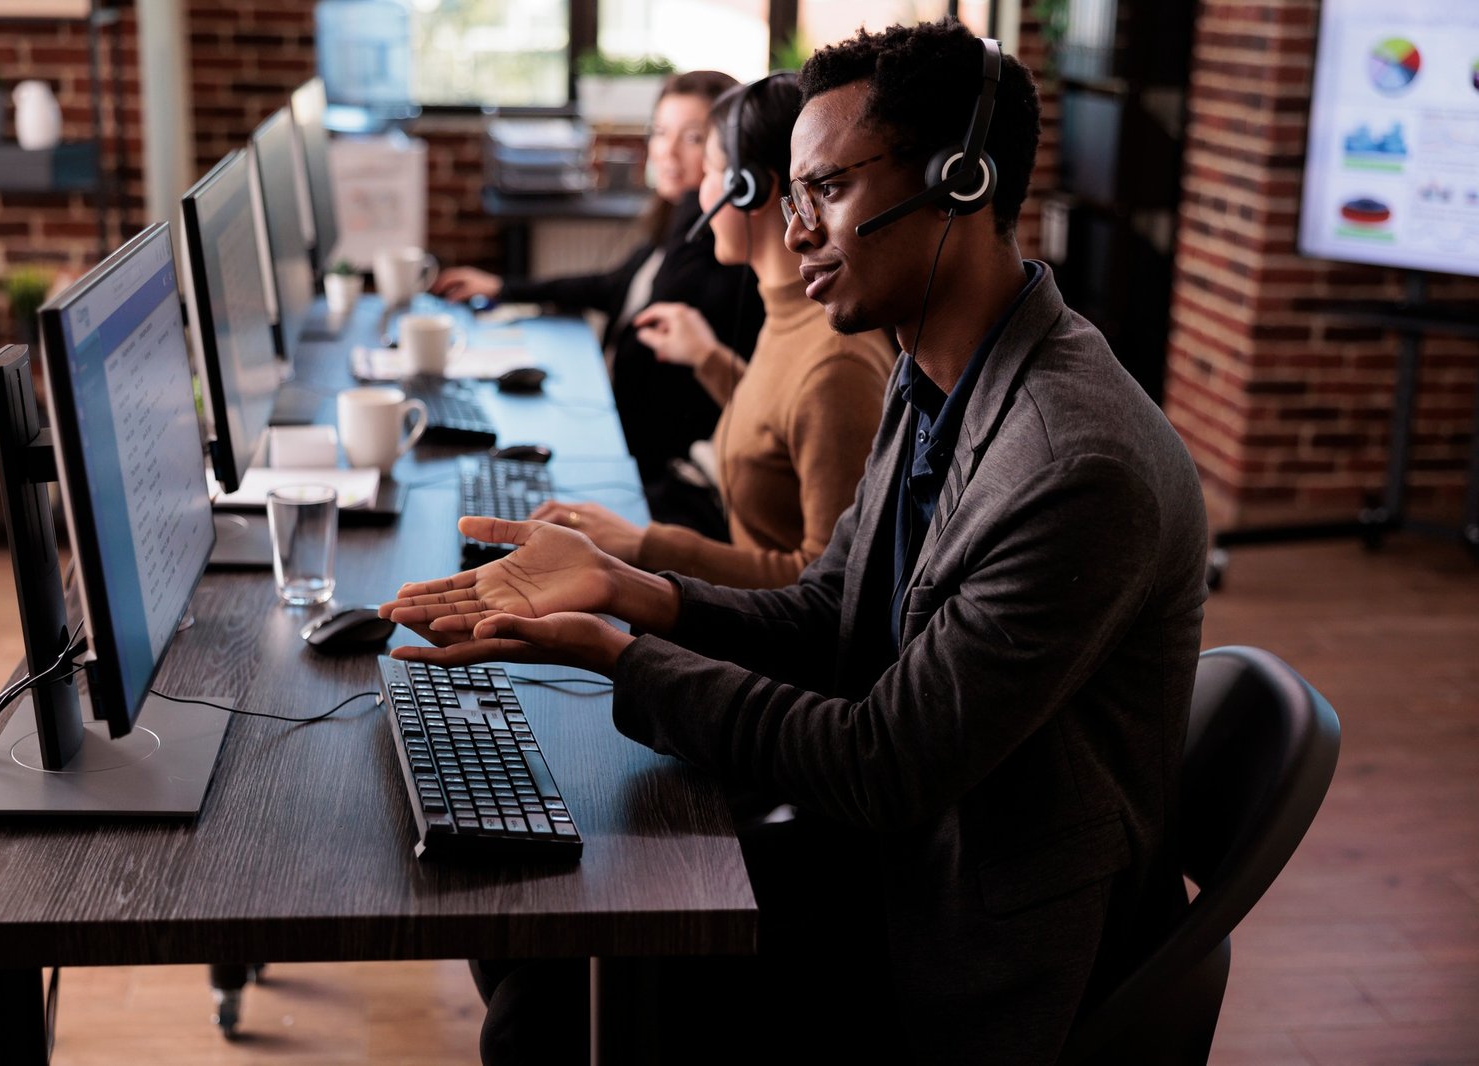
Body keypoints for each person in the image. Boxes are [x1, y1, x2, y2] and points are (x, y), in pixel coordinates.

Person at [386, 18, 1208, 1064]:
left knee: (561, 974)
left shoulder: (1072, 463)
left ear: (960, 182)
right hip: (904, 856)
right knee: (538, 915)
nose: (794, 222)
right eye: (789, 190)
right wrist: (630, 588)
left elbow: (882, 764)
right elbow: (831, 609)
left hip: (970, 935)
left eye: (825, 188)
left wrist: (621, 655)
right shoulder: (933, 371)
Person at [531, 73, 894, 589]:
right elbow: (774, 428)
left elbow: (826, 587)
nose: (699, 194)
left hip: (764, 640)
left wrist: (642, 545)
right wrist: (707, 358)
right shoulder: (788, 312)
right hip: (732, 592)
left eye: (713, 171)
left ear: (748, 190)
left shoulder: (835, 363)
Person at [431, 71, 767, 506]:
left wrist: (693, 202)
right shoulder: (670, 230)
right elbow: (613, 288)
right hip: (618, 435)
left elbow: (663, 300)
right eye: (660, 132)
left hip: (655, 468)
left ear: (731, 155)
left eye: (693, 138)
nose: (666, 151)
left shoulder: (721, 254)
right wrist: (504, 286)